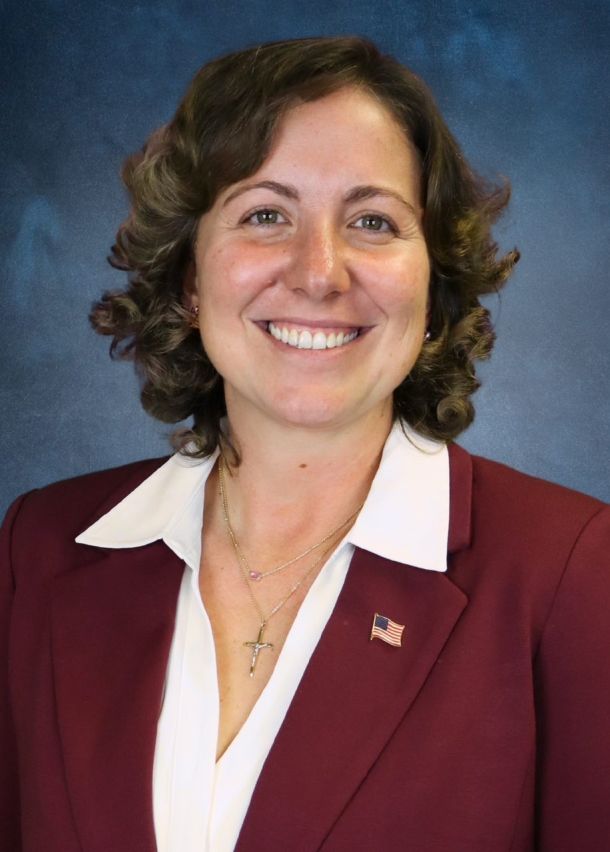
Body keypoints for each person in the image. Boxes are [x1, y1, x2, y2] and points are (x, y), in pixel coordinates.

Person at [1, 35, 609, 852]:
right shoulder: (39, 550)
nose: (319, 272)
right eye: (266, 215)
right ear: (189, 276)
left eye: (372, 221)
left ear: (433, 287)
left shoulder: (570, 573)